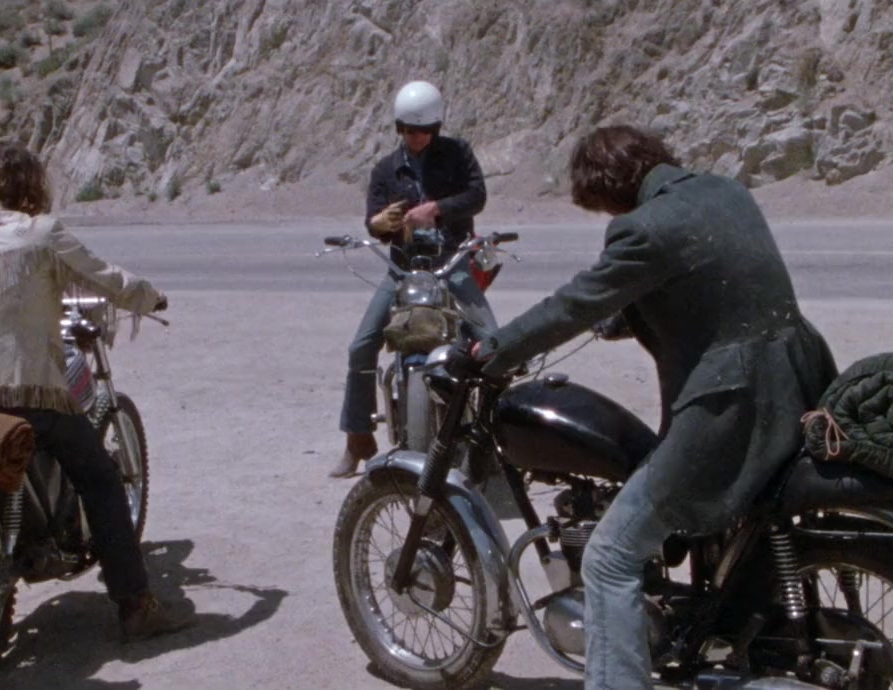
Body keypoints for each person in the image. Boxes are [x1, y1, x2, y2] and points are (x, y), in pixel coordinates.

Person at [473, 126, 837, 688]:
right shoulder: (724, 192)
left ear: (608, 189)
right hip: (798, 382)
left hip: (732, 406)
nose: (608, 215)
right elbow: (711, 280)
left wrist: (492, 351)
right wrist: (628, 315)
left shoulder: (642, 228)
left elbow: (571, 305)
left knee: (609, 556)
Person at [0, 141, 195, 640]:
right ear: (29, 183)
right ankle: (135, 606)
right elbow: (104, 277)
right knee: (101, 479)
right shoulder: (41, 233)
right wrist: (150, 297)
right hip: (27, 394)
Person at [330, 80, 497, 478]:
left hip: (451, 263)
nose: (416, 137)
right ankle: (357, 438)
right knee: (361, 346)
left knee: (493, 341)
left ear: (436, 128)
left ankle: (490, 439)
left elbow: (476, 196)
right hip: (403, 269)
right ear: (399, 128)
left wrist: (436, 209)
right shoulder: (385, 169)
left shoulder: (458, 154)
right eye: (408, 130)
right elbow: (373, 221)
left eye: (423, 130)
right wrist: (378, 223)